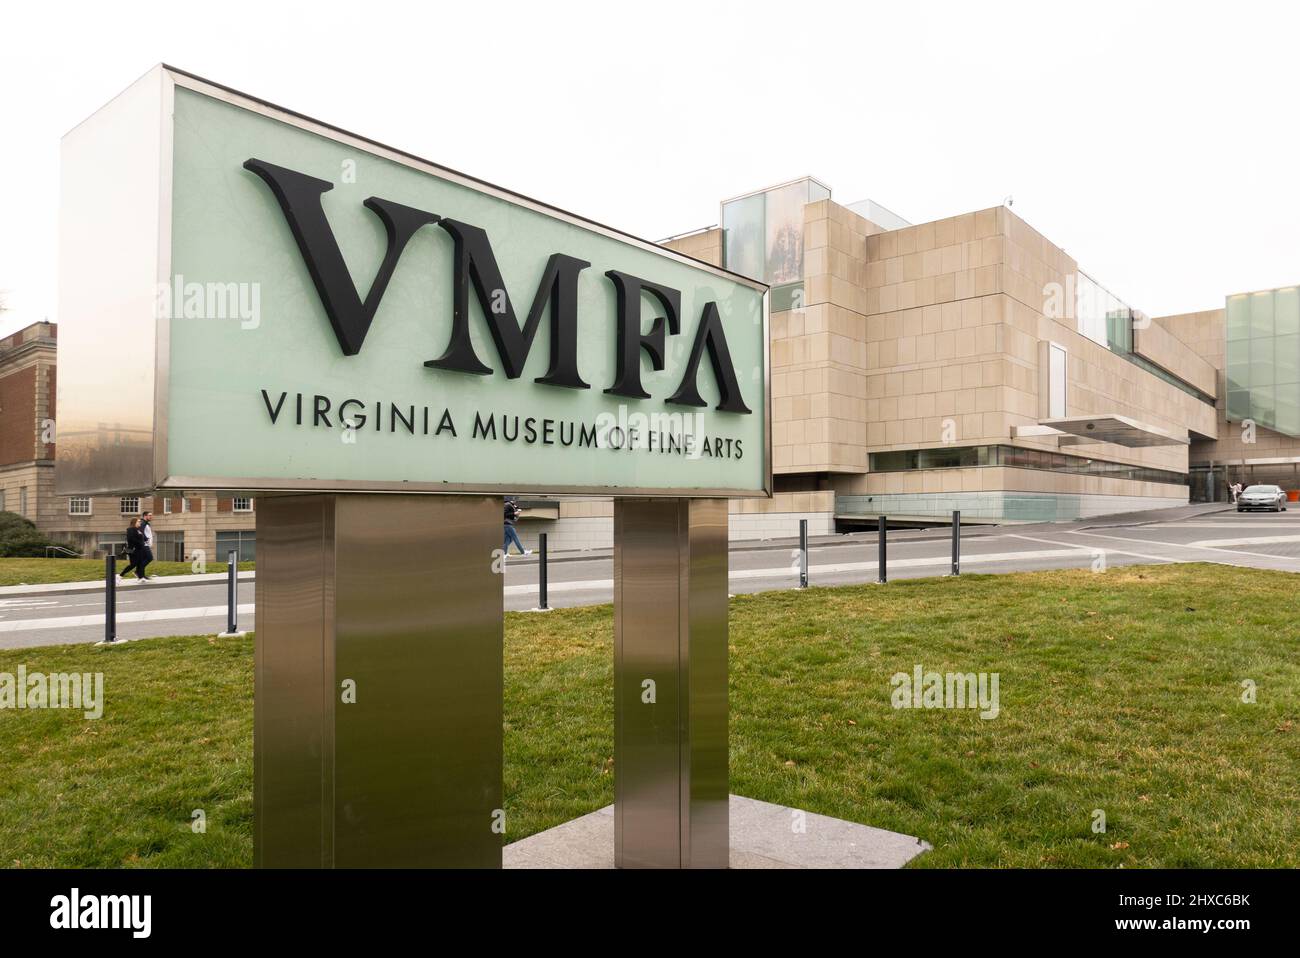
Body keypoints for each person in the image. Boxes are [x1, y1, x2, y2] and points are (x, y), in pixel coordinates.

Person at [137, 510, 156, 580]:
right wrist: (146, 539)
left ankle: (141, 575)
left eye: (151, 515)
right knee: (149, 558)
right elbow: (140, 532)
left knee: (144, 559)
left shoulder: (146, 523)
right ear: (145, 516)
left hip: (146, 544)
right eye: (149, 515)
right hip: (144, 544)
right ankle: (138, 572)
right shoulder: (143, 523)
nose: (151, 517)